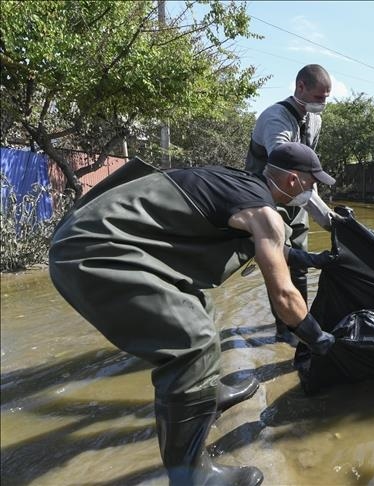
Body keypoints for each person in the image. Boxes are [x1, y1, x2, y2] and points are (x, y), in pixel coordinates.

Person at [48, 143, 338, 486]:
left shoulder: (243, 186)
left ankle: (207, 393)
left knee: (197, 306)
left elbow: (262, 244)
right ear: (292, 180)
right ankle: (192, 477)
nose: (312, 190)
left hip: (94, 236)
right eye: (311, 182)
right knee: (191, 343)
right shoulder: (264, 212)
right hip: (95, 250)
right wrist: (319, 338)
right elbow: (284, 297)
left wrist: (311, 259)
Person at [245, 63, 340, 345]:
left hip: (296, 196)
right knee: (278, 260)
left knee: (300, 259)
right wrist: (327, 219)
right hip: (267, 196)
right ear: (300, 87)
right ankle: (285, 329)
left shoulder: (315, 121)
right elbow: (286, 175)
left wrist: (336, 223)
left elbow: (306, 173)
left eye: (326, 98)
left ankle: (300, 322)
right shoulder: (275, 119)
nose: (322, 104)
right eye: (319, 97)